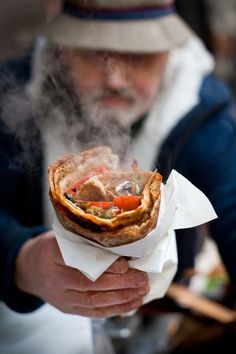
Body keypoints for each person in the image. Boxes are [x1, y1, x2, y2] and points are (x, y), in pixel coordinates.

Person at [1, 0, 236, 352]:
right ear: (63, 49)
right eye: (96, 53)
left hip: (157, 319)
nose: (115, 79)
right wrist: (21, 259)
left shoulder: (203, 116)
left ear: (169, 53)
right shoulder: (13, 99)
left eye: (139, 55)